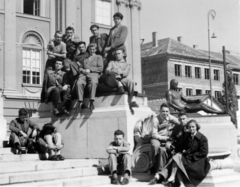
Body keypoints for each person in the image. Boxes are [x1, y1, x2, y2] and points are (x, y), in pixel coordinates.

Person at [157, 120, 210, 187]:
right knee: (177, 158)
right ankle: (180, 183)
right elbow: (182, 146)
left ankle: (166, 175)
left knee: (176, 158)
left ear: (197, 127)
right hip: (188, 157)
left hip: (197, 160)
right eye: (189, 127)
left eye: (193, 127)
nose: (191, 129)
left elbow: (204, 152)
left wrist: (190, 155)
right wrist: (173, 148)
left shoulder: (202, 138)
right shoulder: (188, 136)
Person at [149, 103, 180, 177]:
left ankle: (165, 167)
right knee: (156, 146)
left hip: (167, 138)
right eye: (163, 111)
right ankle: (153, 164)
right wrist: (165, 138)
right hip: (156, 137)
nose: (165, 113)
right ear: (160, 111)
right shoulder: (155, 119)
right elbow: (154, 134)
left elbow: (179, 123)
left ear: (169, 112)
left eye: (167, 111)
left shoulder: (170, 117)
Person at [75, 43, 103, 111]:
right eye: (90, 49)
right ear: (88, 50)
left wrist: (90, 70)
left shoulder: (98, 57)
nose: (92, 51)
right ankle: (80, 101)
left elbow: (100, 68)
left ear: (95, 50)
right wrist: (82, 70)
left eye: (93, 49)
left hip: (93, 73)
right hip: (84, 74)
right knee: (79, 83)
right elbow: (81, 68)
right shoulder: (85, 58)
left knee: (93, 82)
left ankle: (91, 101)